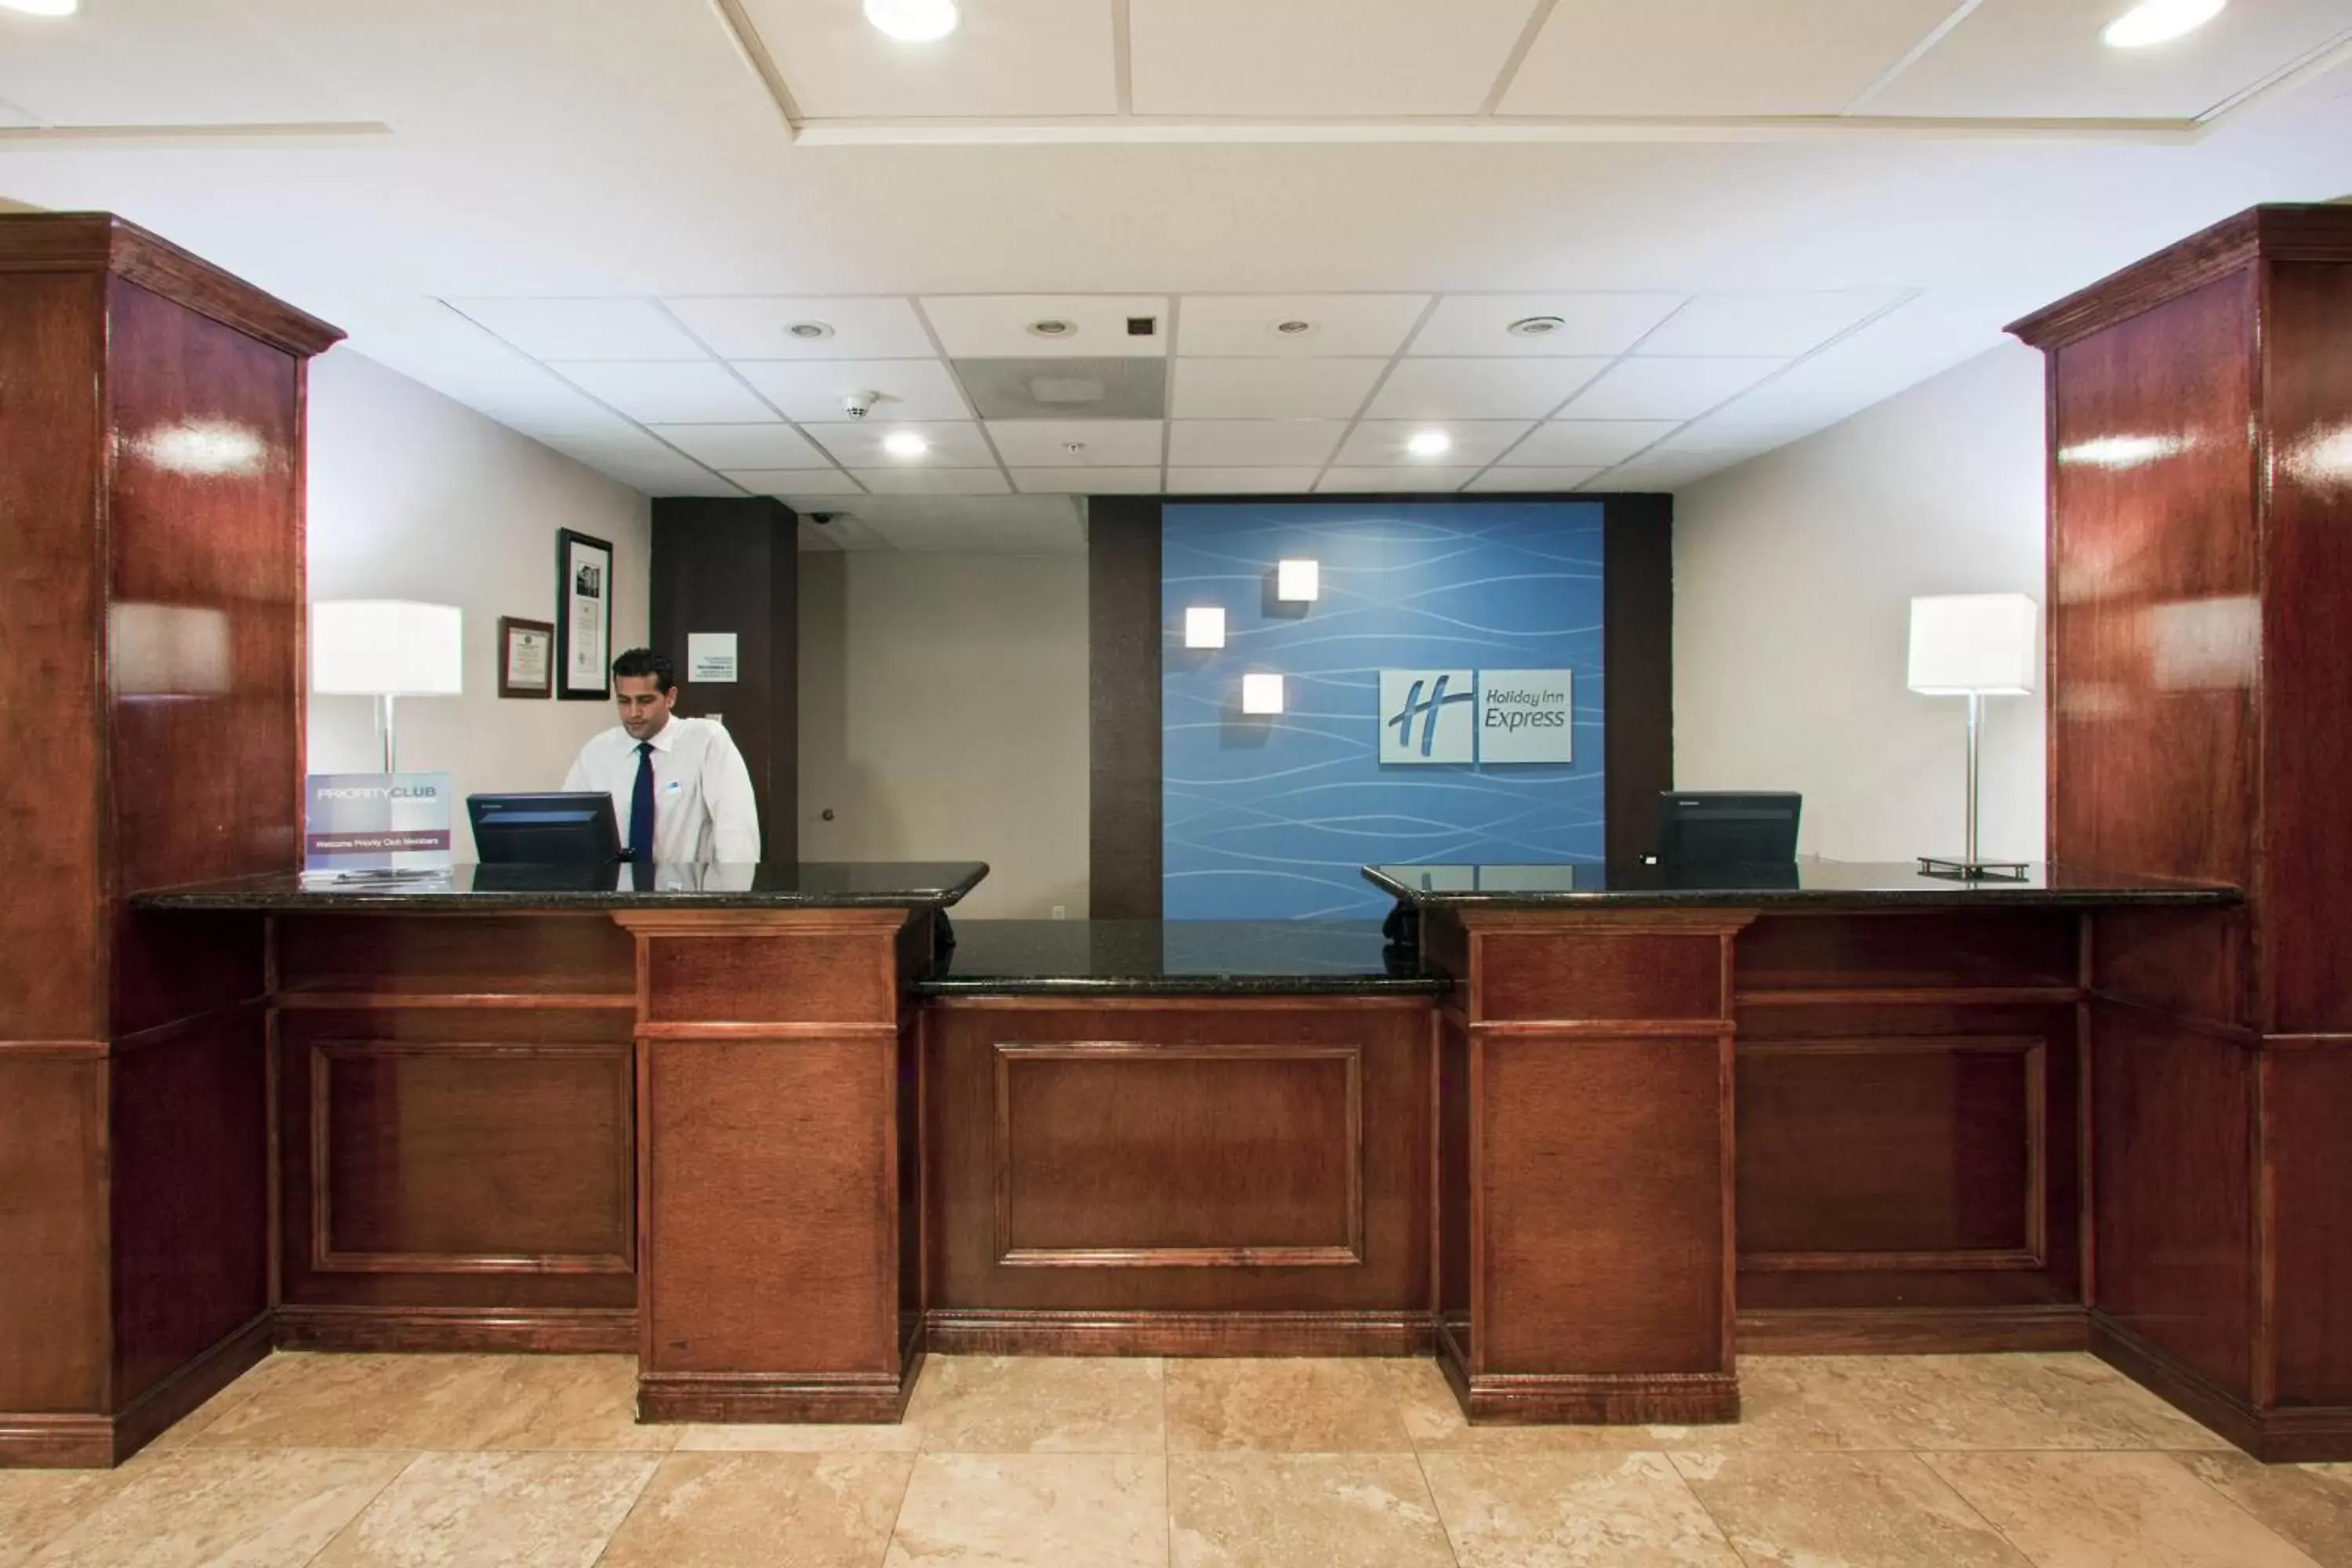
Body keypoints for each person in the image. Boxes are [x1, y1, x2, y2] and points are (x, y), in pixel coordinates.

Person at [563, 648, 760, 864]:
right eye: (624, 701)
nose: (634, 713)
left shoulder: (706, 741)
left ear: (670, 697)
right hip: (617, 892)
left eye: (645, 700)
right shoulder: (597, 752)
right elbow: (568, 827)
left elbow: (736, 831)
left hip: (688, 892)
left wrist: (731, 895)